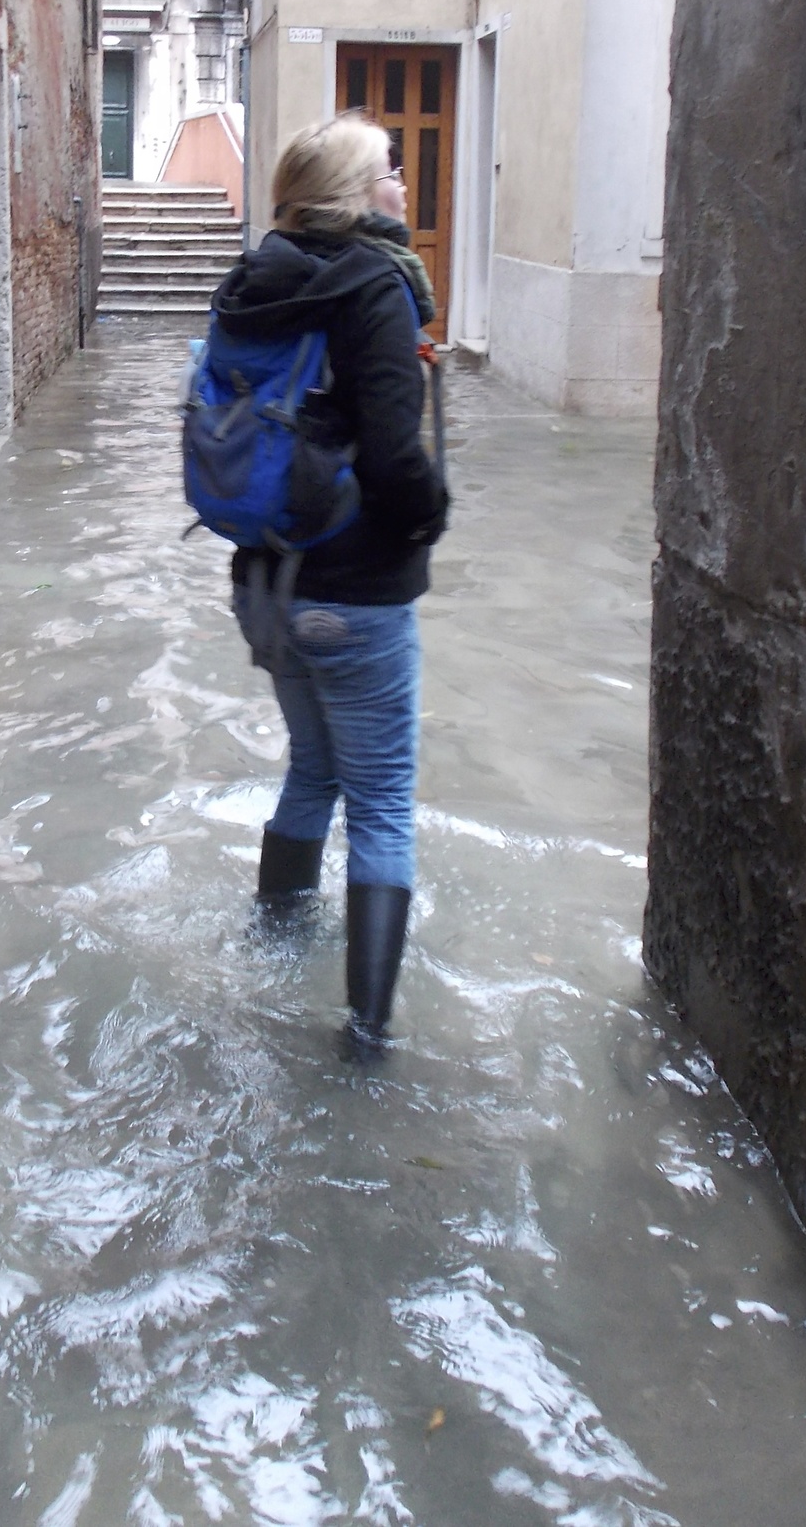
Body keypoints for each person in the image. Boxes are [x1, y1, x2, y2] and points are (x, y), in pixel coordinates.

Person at [210, 112, 448, 1043]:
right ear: (357, 198)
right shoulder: (376, 287)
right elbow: (395, 458)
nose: (401, 185)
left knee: (313, 768)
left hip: (263, 588)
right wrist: (431, 517)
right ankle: (370, 1039)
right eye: (389, 173)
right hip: (354, 598)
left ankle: (273, 951)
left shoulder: (249, 283)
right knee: (384, 797)